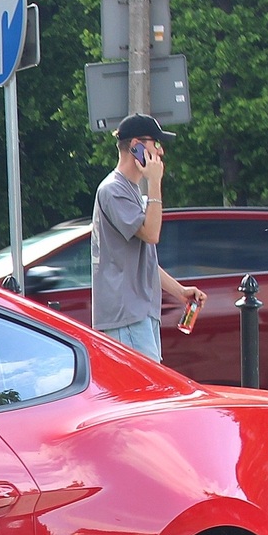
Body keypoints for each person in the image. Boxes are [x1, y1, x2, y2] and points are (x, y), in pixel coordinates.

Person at [90, 113, 200, 359]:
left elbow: (144, 259)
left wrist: (180, 291)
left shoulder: (130, 191)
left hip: (139, 313)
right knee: (146, 393)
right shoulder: (112, 191)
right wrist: (154, 183)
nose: (161, 153)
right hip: (125, 315)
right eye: (157, 144)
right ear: (136, 146)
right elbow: (151, 234)